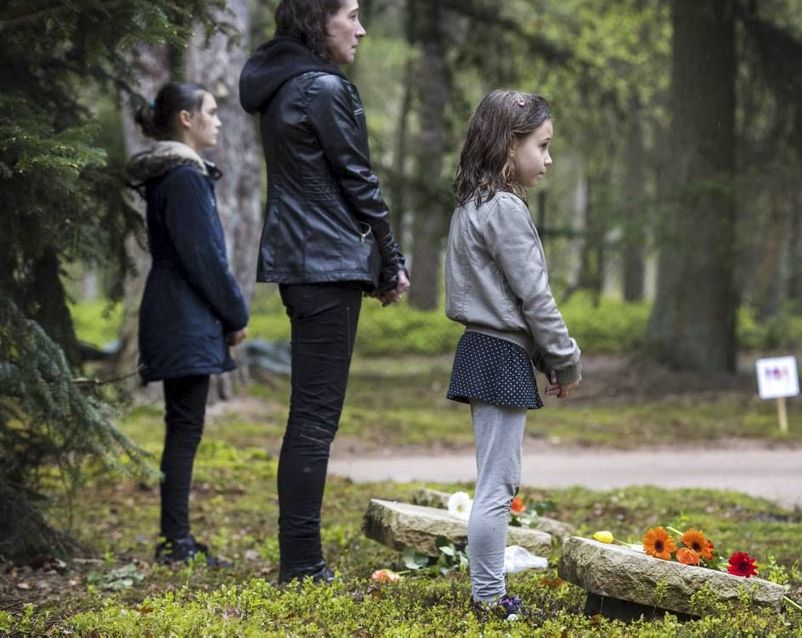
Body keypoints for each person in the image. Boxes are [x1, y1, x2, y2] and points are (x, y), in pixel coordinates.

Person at [239, 0, 410, 584]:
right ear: (319, 21)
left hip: (300, 262)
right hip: (326, 265)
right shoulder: (322, 89)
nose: (360, 29)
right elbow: (360, 180)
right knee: (314, 419)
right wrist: (392, 259)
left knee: (308, 415)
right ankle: (303, 566)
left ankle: (300, 560)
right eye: (351, 15)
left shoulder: (283, 86)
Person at [445, 89, 582, 619]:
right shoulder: (504, 209)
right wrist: (565, 360)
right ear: (509, 144)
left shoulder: (472, 204)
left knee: (494, 479)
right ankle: (487, 598)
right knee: (498, 485)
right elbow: (534, 298)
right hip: (499, 353)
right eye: (542, 146)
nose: (548, 159)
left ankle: (487, 590)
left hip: (483, 348)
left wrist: (546, 358)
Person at [127, 82, 249, 567]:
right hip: (182, 316)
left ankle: (175, 538)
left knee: (182, 429)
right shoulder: (183, 178)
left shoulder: (178, 175)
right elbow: (204, 259)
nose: (218, 120)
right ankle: (175, 542)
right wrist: (235, 314)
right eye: (211, 112)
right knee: (183, 430)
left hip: (178, 313)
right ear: (185, 118)